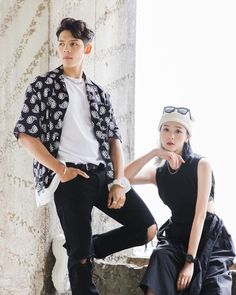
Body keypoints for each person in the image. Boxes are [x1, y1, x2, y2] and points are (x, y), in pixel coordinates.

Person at [13, 18, 157, 295]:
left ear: (86, 49)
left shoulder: (99, 93)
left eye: (74, 44)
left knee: (147, 228)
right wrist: (60, 170)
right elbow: (25, 135)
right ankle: (78, 252)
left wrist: (119, 182)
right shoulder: (42, 86)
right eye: (62, 44)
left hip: (101, 175)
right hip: (70, 178)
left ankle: (76, 247)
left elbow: (115, 140)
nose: (66, 49)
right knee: (80, 261)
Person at [125, 106, 235, 295]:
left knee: (212, 287)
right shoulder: (158, 173)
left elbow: (200, 216)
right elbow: (124, 177)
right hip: (177, 237)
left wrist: (189, 262)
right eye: (165, 129)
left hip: (208, 237)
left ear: (187, 136)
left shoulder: (201, 165)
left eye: (178, 131)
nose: (171, 136)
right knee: (160, 258)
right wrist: (154, 153)